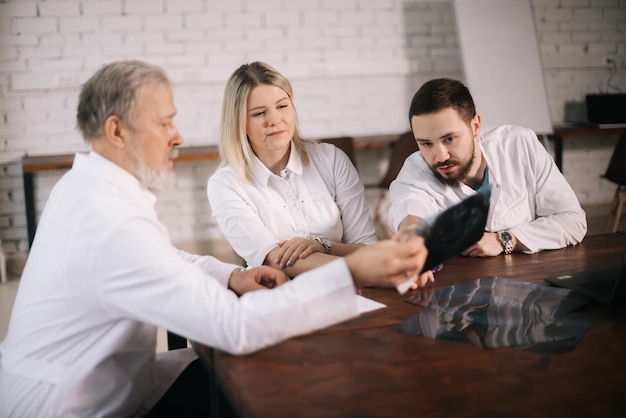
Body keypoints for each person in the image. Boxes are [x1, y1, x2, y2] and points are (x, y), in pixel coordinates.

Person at [0, 60, 429, 418]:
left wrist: (230, 276)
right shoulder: (111, 220)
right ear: (117, 131)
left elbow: (162, 258)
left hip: (94, 378)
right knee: (265, 388)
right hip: (67, 405)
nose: (178, 136)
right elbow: (233, 327)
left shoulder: (86, 188)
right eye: (165, 122)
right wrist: (352, 268)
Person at [207, 62, 377, 277]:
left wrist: (323, 245)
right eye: (259, 113)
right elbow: (275, 260)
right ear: (239, 121)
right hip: (280, 297)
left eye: (282, 106)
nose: (275, 120)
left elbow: (367, 247)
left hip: (355, 292)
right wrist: (370, 268)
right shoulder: (225, 184)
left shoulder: (331, 159)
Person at [389, 78, 587, 257]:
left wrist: (506, 239)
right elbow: (410, 212)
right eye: (426, 143)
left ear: (475, 126)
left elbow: (573, 221)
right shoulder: (414, 173)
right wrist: (411, 235)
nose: (440, 156)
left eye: (449, 139)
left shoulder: (519, 145)